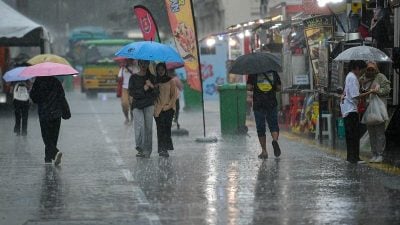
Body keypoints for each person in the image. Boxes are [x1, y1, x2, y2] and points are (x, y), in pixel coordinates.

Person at [30, 76, 69, 165]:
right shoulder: (56, 82)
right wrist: (65, 111)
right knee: (54, 137)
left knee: (46, 137)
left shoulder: (38, 81)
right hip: (56, 113)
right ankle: (48, 158)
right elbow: (62, 97)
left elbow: (33, 97)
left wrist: (40, 98)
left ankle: (54, 153)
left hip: (44, 113)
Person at [359, 62, 391, 163]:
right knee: (371, 133)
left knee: (380, 133)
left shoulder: (381, 77)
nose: (370, 71)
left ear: (376, 69)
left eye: (372, 69)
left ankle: (380, 154)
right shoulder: (363, 78)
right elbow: (360, 90)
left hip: (379, 109)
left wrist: (377, 91)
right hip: (368, 110)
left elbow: (387, 90)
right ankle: (374, 154)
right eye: (368, 69)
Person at [247, 70, 282, 159]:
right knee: (273, 125)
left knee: (261, 127)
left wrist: (253, 87)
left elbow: (249, 87)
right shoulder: (273, 71)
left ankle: (264, 151)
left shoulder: (253, 72)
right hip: (271, 102)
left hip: (259, 103)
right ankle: (274, 140)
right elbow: (278, 88)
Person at [340, 60, 369, 164]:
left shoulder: (349, 76)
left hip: (347, 109)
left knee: (350, 135)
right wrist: (370, 92)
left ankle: (350, 157)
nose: (362, 73)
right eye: (362, 70)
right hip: (351, 110)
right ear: (357, 68)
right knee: (354, 134)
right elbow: (355, 95)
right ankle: (354, 158)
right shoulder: (352, 77)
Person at [128, 60, 156, 158]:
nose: (144, 65)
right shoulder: (133, 77)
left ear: (148, 64)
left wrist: (151, 85)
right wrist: (144, 89)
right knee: (140, 126)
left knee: (148, 128)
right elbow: (131, 93)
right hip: (137, 105)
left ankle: (147, 150)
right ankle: (140, 147)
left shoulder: (152, 77)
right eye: (142, 63)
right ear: (139, 64)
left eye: (146, 63)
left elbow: (156, 93)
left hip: (149, 104)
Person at [154, 63, 178, 157]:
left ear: (165, 70)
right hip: (158, 109)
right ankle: (161, 149)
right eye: (159, 69)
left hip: (169, 109)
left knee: (167, 129)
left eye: (162, 69)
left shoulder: (170, 81)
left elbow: (174, 96)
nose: (160, 71)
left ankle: (166, 147)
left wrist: (168, 106)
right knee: (160, 129)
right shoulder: (155, 81)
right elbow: (153, 97)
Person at [118, 59, 138, 125]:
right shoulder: (123, 68)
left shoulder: (136, 68)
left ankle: (132, 118)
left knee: (133, 104)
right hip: (125, 88)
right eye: (128, 60)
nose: (129, 61)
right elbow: (119, 77)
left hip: (133, 89)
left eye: (131, 60)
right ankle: (127, 118)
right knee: (124, 104)